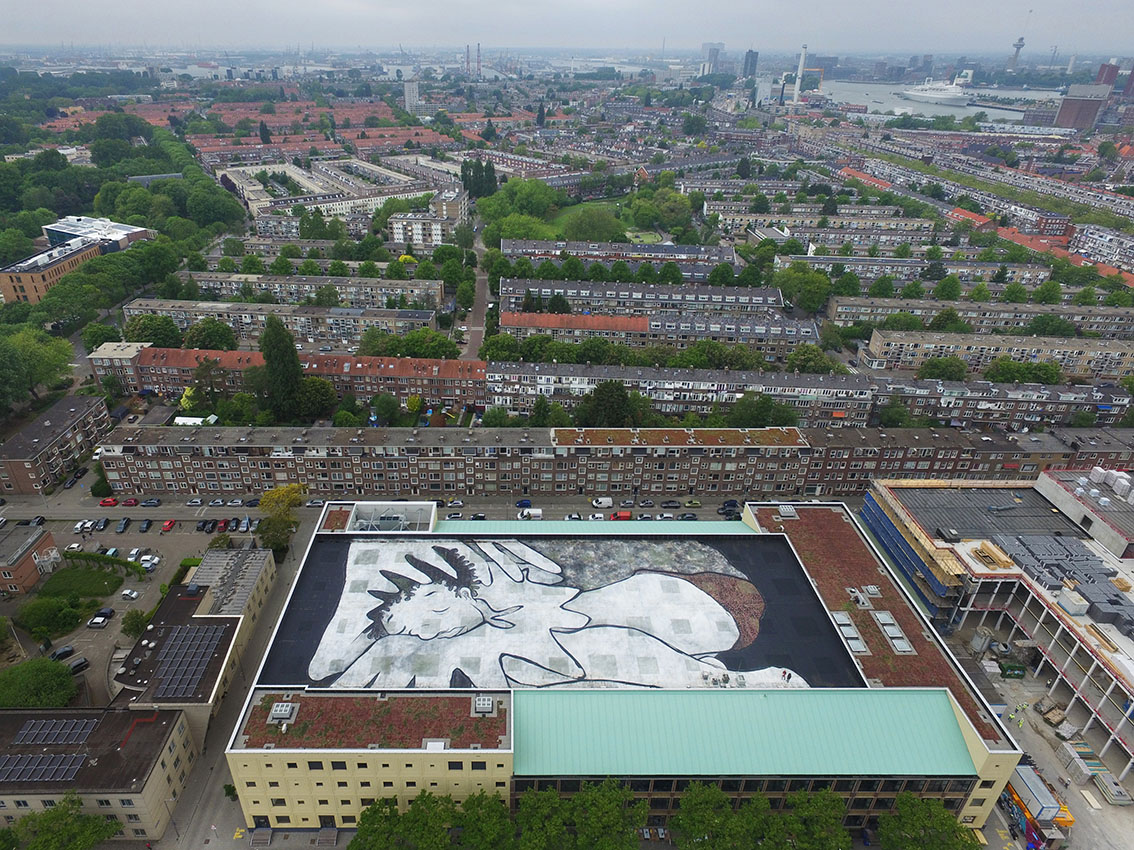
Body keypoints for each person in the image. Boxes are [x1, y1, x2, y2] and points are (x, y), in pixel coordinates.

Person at [309, 539, 808, 690]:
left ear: (442, 596)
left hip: (694, 604)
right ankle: (715, 678)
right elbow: (321, 670)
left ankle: (722, 681)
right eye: (418, 634)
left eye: (424, 619)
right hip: (698, 616)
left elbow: (547, 573)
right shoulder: (480, 634)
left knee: (595, 643)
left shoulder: (504, 583)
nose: (426, 633)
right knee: (592, 659)